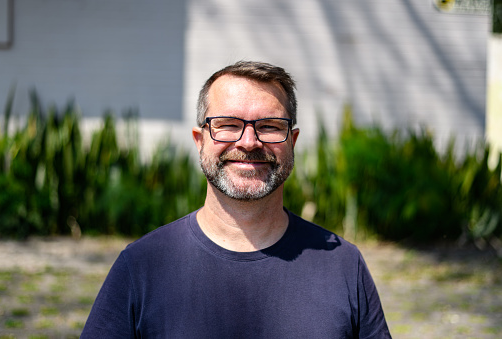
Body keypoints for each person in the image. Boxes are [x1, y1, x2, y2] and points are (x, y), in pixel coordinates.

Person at [81, 61, 392, 338]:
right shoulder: (142, 266)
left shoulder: (343, 265)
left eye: (269, 127)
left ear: (292, 142)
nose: (248, 142)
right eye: (228, 125)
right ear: (199, 140)